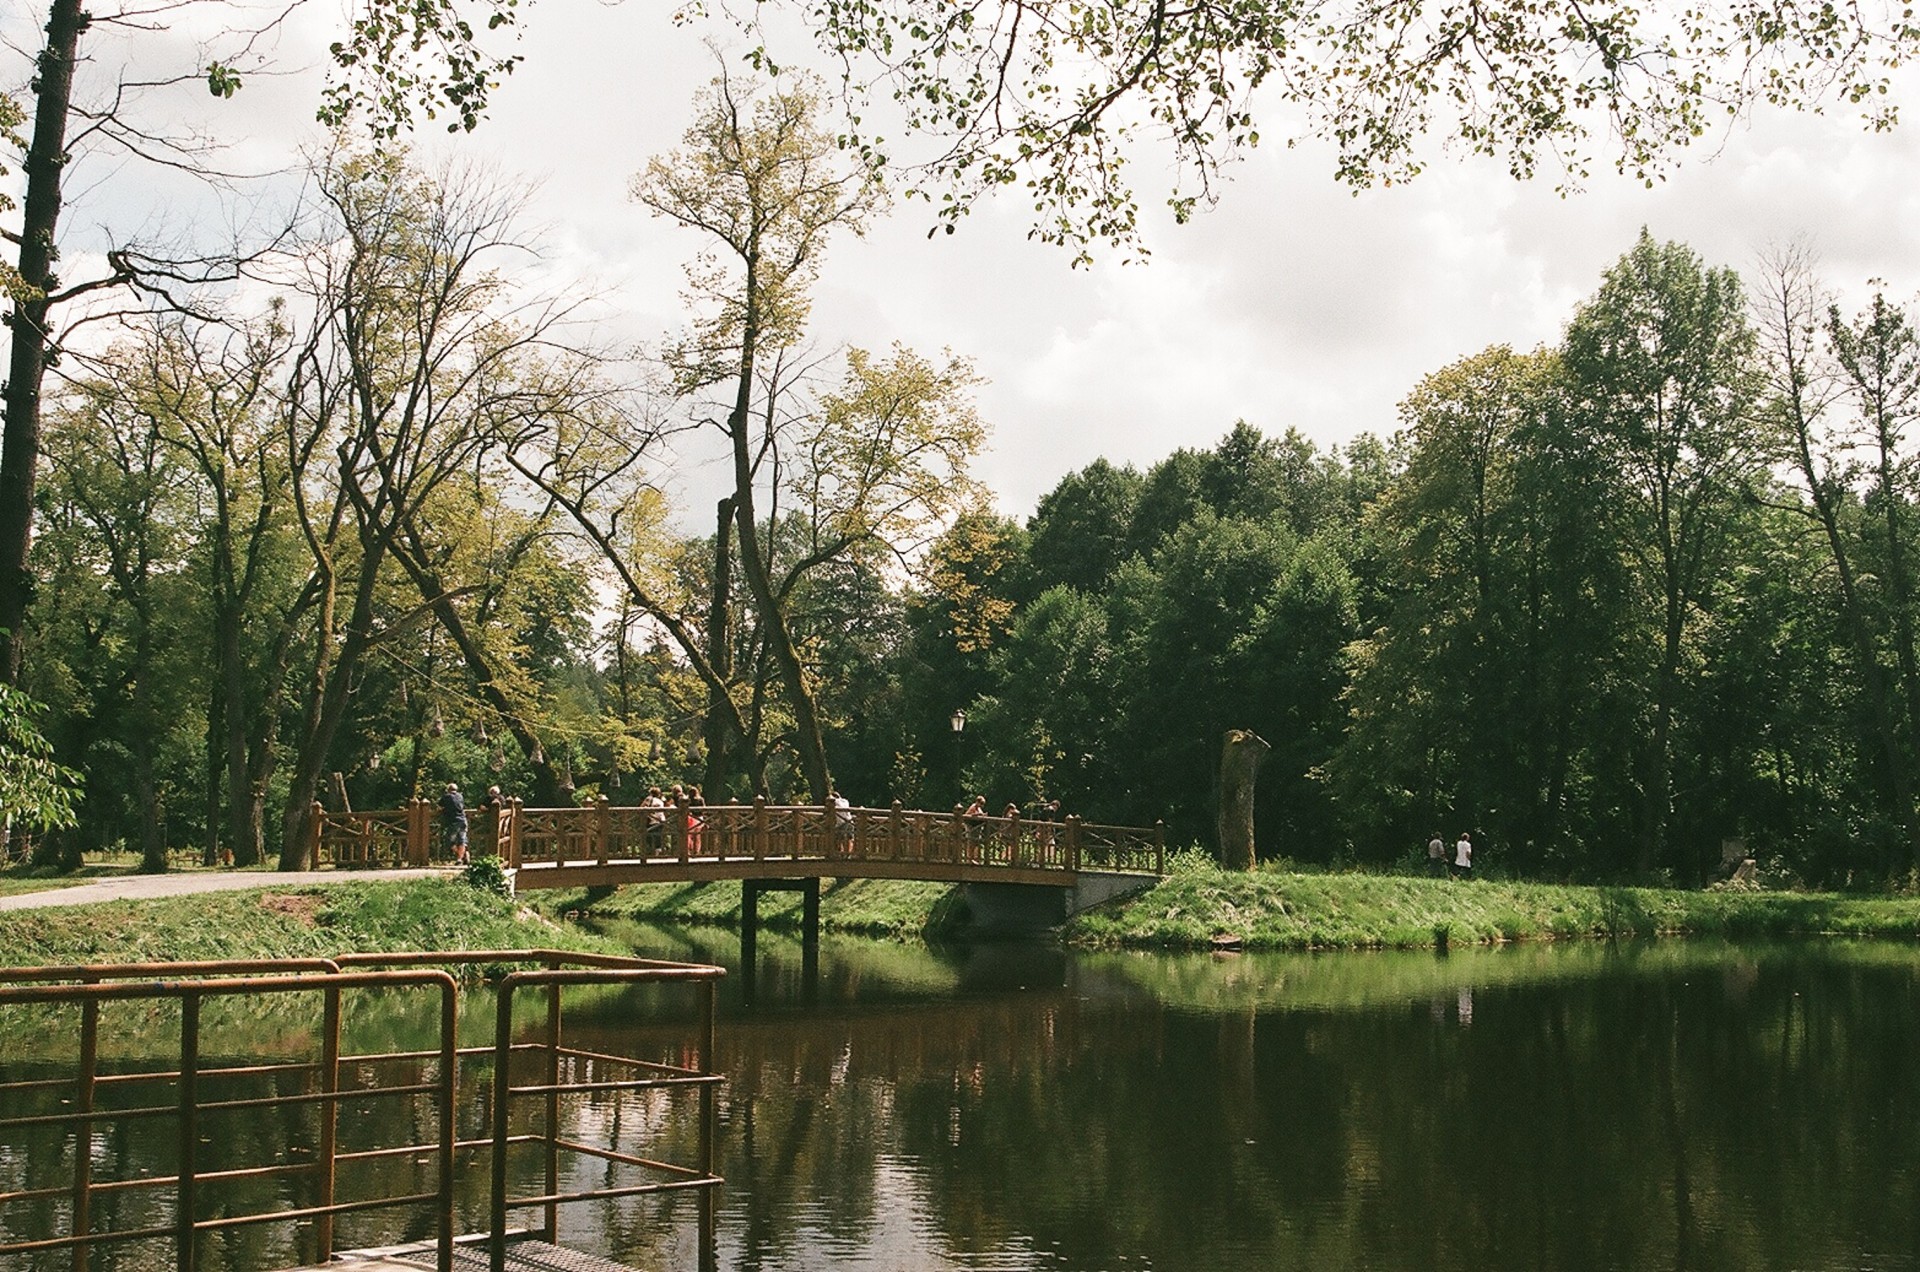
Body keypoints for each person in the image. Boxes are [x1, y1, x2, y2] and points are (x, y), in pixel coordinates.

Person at [439, 782, 470, 865]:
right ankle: (460, 858)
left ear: (448, 790)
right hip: (463, 820)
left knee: (449, 841)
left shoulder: (446, 797)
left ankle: (462, 857)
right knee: (462, 840)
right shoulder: (460, 796)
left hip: (453, 821)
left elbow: (440, 807)